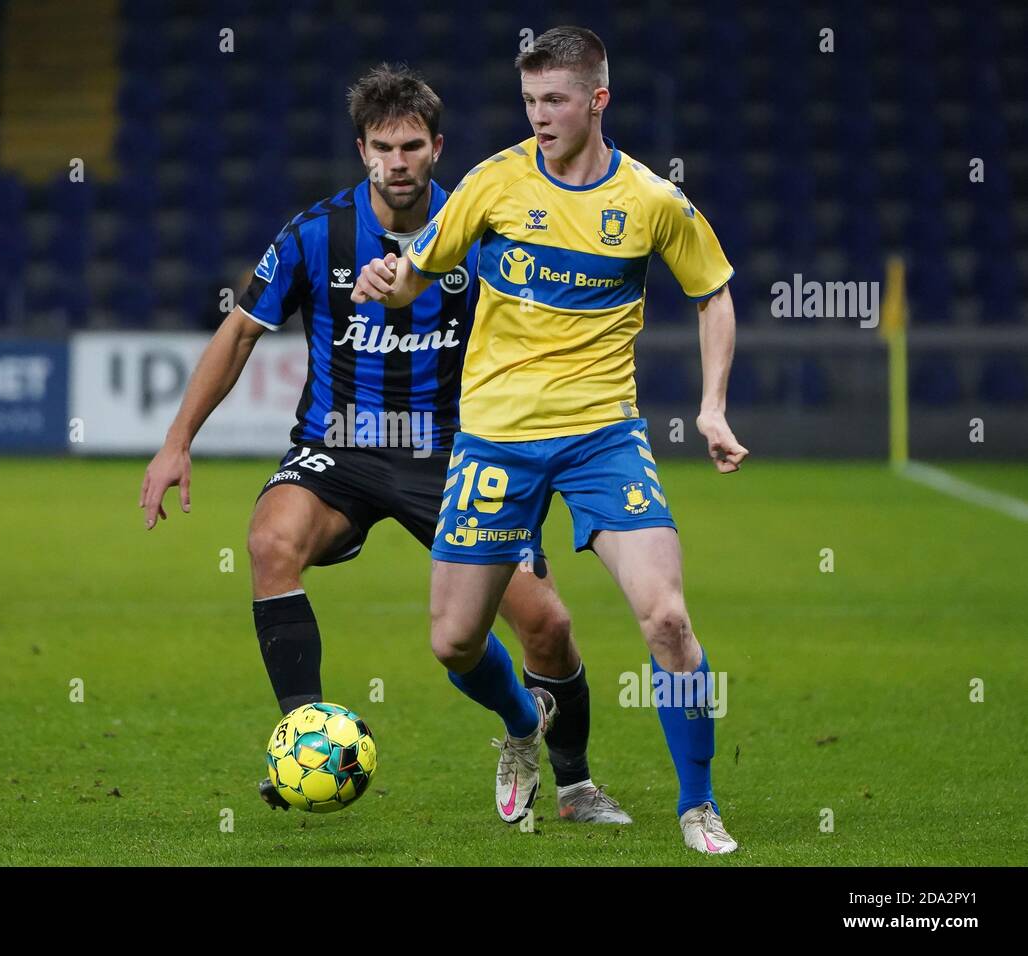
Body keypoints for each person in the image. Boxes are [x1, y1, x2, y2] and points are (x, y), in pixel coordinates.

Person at [141, 63, 630, 825]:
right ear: (362, 150)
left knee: (547, 625)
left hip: (456, 453)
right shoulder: (317, 233)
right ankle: (302, 733)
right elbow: (240, 332)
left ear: (437, 147)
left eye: (410, 147)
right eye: (380, 147)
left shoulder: (484, 226)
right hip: (340, 447)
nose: (395, 163)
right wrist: (176, 442)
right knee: (270, 542)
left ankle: (567, 776)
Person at [350, 29, 747, 853]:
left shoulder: (649, 200)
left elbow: (713, 294)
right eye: (529, 101)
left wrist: (711, 407)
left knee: (668, 620)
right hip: (496, 441)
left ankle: (698, 805)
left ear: (597, 100)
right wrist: (387, 282)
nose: (539, 116)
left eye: (555, 101)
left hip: (604, 437)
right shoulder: (493, 184)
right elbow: (417, 274)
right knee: (455, 640)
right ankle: (522, 725)